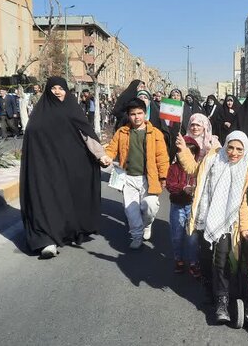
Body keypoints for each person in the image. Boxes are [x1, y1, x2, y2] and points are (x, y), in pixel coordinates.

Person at [174, 130, 248, 324]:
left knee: (220, 262)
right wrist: (182, 150)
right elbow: (194, 170)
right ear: (225, 145)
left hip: (228, 224)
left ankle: (222, 303)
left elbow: (241, 202)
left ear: (245, 151)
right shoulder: (213, 158)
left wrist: (245, 227)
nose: (234, 152)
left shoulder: (246, 168)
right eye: (231, 147)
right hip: (205, 218)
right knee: (204, 260)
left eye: (239, 149)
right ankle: (209, 290)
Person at [20, 77, 106, 258]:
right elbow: (31, 139)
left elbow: (86, 134)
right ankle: (46, 240)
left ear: (67, 90)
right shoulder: (39, 114)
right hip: (43, 169)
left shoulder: (72, 110)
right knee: (44, 200)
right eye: (53, 88)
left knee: (66, 202)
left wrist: (101, 155)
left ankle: (66, 231)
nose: (57, 91)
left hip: (69, 168)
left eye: (61, 88)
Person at [100, 98, 170, 249]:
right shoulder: (122, 132)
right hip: (128, 178)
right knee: (131, 210)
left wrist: (163, 177)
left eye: (140, 113)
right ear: (128, 115)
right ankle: (137, 236)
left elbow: (162, 157)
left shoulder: (155, 133)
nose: (137, 117)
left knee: (150, 206)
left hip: (148, 178)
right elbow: (112, 148)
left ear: (145, 114)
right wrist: (107, 157)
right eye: (133, 114)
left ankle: (147, 224)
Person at [166, 136, 201, 277]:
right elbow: (170, 185)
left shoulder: (198, 168)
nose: (189, 155)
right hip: (177, 205)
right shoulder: (173, 168)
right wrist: (183, 188)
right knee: (177, 235)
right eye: (185, 151)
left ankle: (193, 263)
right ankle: (178, 259)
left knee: (192, 237)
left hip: (192, 206)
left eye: (192, 152)